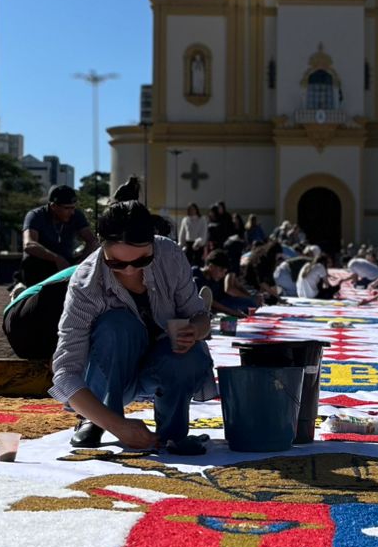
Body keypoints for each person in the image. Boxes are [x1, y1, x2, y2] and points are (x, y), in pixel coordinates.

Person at [50, 200, 213, 451]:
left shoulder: (169, 254)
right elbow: (65, 372)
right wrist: (118, 426)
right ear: (101, 245)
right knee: (116, 325)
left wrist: (195, 331)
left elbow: (199, 315)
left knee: (188, 355)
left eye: (141, 261)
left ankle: (172, 433)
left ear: (153, 244)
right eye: (116, 263)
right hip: (110, 373)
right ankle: (96, 418)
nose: (128, 271)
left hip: (164, 366)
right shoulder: (86, 283)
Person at [21, 185, 97, 287]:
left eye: (73, 207)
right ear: (53, 206)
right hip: (40, 264)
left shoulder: (76, 215)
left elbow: (92, 241)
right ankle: (22, 287)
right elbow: (29, 244)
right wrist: (57, 259)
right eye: (67, 208)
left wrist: (80, 263)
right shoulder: (36, 215)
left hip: (66, 263)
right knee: (30, 261)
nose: (72, 212)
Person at [196, 248, 258, 313]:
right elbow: (212, 303)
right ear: (211, 266)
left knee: (250, 303)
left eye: (225, 272)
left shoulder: (215, 278)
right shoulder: (197, 277)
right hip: (212, 307)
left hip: (222, 302)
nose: (223, 275)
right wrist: (233, 312)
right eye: (221, 271)